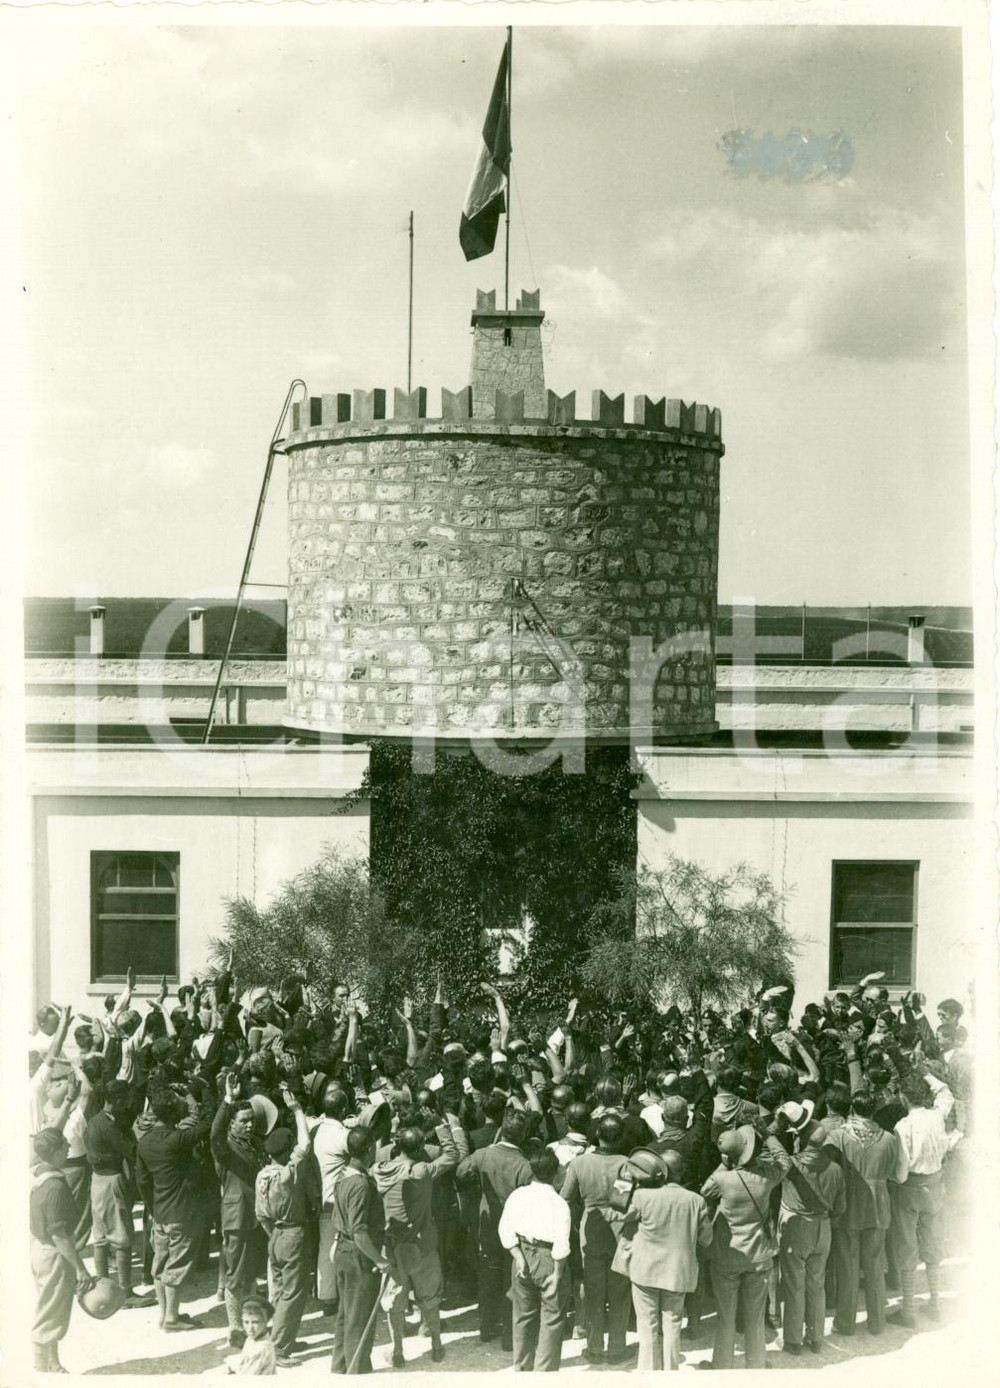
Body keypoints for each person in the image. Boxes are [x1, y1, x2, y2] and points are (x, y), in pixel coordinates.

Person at [701, 1124, 791, 1370]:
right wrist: (771, 1136)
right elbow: (785, 1161)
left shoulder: (721, 1179)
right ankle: (757, 1363)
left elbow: (704, 1193)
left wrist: (725, 1163)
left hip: (727, 1255)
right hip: (759, 1254)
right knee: (755, 1315)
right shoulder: (766, 1176)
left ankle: (722, 1364)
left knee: (725, 1315)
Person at [373, 1113, 460, 1367]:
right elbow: (452, 1155)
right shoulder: (421, 1171)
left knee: (395, 1304)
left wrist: (393, 1128)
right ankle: (436, 1345)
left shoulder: (379, 1170)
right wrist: (440, 1126)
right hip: (423, 1246)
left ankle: (398, 1351)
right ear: (421, 1147)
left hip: (393, 1247)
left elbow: (379, 1153)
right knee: (430, 1301)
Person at [622, 1148, 713, 1371]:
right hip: (678, 1272)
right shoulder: (696, 1200)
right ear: (682, 1173)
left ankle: (649, 1375)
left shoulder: (642, 1196)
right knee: (673, 1325)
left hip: (645, 1271)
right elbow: (706, 1239)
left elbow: (617, 1211)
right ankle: (671, 1375)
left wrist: (625, 1177)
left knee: (647, 1326)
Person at [136, 1085, 212, 1332]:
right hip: (182, 1212)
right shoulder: (177, 1139)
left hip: (160, 1212)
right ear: (172, 1112)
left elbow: (143, 1181)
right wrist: (191, 1096)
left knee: (160, 1265)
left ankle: (166, 1313)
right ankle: (171, 1318)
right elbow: (206, 1123)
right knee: (177, 1266)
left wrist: (153, 1205)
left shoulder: (145, 1142)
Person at [824, 1090, 899, 1337]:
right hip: (878, 1206)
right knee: (875, 1264)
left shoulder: (837, 1136)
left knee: (848, 1265)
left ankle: (845, 1323)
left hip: (848, 1206)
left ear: (852, 1109)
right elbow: (896, 1173)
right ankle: (877, 1322)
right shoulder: (889, 1138)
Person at [888, 1070, 960, 1327]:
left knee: (907, 1245)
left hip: (910, 1188)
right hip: (936, 1183)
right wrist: (925, 1072)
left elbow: (901, 1170)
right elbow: (945, 1093)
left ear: (904, 1098)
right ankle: (935, 1304)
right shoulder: (937, 1115)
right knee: (933, 1242)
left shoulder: (903, 1126)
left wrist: (892, 1180)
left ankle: (908, 1311)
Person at [456, 1109, 532, 1349]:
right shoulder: (525, 1165)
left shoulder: (483, 1155)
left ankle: (487, 1327)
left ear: (502, 1130)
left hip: (488, 1228)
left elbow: (460, 1171)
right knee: (512, 1282)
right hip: (516, 1233)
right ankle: (510, 1337)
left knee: (488, 1276)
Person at [559, 1112, 630, 1363]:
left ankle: (595, 1348)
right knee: (620, 1292)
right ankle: (618, 1349)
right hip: (620, 1232)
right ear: (621, 1137)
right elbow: (622, 1201)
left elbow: (566, 1198)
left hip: (591, 1232)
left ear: (597, 1135)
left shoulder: (579, 1164)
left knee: (593, 1291)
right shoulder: (626, 1164)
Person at [498, 1147, 572, 1372]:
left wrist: (518, 1257)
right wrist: (558, 1276)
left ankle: (521, 1367)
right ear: (555, 1172)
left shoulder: (517, 1195)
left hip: (522, 1253)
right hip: (549, 1259)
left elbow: (505, 1230)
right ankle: (544, 1372)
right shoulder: (559, 1203)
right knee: (551, 1318)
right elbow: (561, 1245)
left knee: (522, 1316)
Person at [255, 1083, 313, 1366]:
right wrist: (298, 1110)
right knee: (293, 1291)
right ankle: (278, 1348)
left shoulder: (263, 1175)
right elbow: (305, 1145)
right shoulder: (289, 1174)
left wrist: (274, 1233)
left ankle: (280, 1337)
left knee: (278, 1290)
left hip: (275, 1234)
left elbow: (261, 1215)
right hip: (292, 1232)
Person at [30, 1128, 95, 1373]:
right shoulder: (55, 1186)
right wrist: (80, 1269)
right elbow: (60, 1235)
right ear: (55, 1151)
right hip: (54, 1253)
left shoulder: (38, 1173)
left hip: (40, 1248)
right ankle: (41, 1368)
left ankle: (52, 1363)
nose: (69, 1146)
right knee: (49, 1313)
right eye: (64, 1144)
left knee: (53, 1307)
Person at [85, 1078, 154, 1307]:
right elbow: (131, 1150)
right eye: (123, 1099)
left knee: (101, 1237)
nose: (126, 1104)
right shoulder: (109, 1125)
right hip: (112, 1181)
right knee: (122, 1236)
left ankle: (103, 1286)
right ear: (115, 1099)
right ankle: (125, 1292)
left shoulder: (96, 1120)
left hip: (97, 1181)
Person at [212, 1072, 268, 1349]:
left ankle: (251, 1325)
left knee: (251, 1275)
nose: (248, 1125)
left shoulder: (255, 1144)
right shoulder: (226, 1149)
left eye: (251, 1120)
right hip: (238, 1217)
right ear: (231, 1124)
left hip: (256, 1217)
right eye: (243, 1121)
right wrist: (227, 1100)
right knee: (236, 1277)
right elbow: (214, 1135)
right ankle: (235, 1328)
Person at [777, 1124, 845, 1355]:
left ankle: (793, 1341)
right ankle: (816, 1338)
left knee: (794, 1284)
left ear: (800, 1139)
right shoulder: (835, 1169)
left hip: (797, 1228)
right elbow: (840, 1207)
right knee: (817, 1285)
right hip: (823, 1228)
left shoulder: (792, 1164)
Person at [330, 1126, 386, 1375]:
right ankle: (357, 1373)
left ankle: (341, 1367)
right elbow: (360, 1231)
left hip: (344, 1252)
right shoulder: (360, 1185)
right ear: (369, 1149)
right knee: (359, 1320)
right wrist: (380, 1260)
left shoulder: (343, 1176)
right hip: (358, 1257)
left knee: (346, 1315)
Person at [224, 1295, 277, 1376]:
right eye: (246, 1322)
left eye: (255, 1322)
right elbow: (245, 1359)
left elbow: (246, 1379)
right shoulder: (254, 1338)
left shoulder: (261, 1348)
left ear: (265, 1321)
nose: (250, 1328)